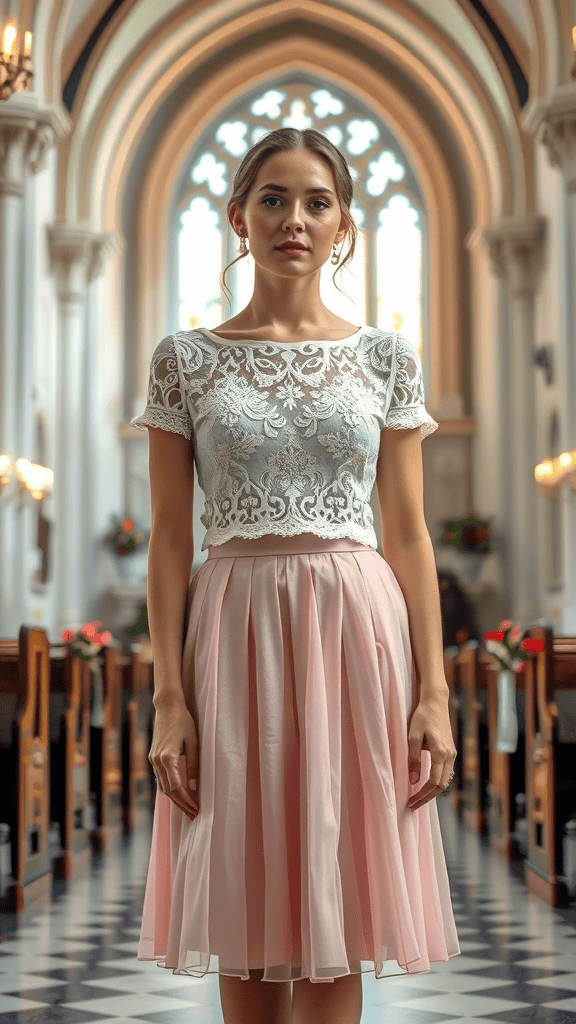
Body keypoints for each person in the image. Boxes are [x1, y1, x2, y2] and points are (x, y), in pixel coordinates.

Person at [130, 127, 460, 1024]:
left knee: (336, 895)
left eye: (317, 202)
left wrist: (433, 689)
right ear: (238, 217)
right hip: (232, 627)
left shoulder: (386, 357)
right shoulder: (185, 359)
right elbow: (168, 541)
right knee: (241, 891)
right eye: (273, 199)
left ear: (345, 224)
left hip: (356, 631)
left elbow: (410, 535)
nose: (295, 220)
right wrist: (169, 697)